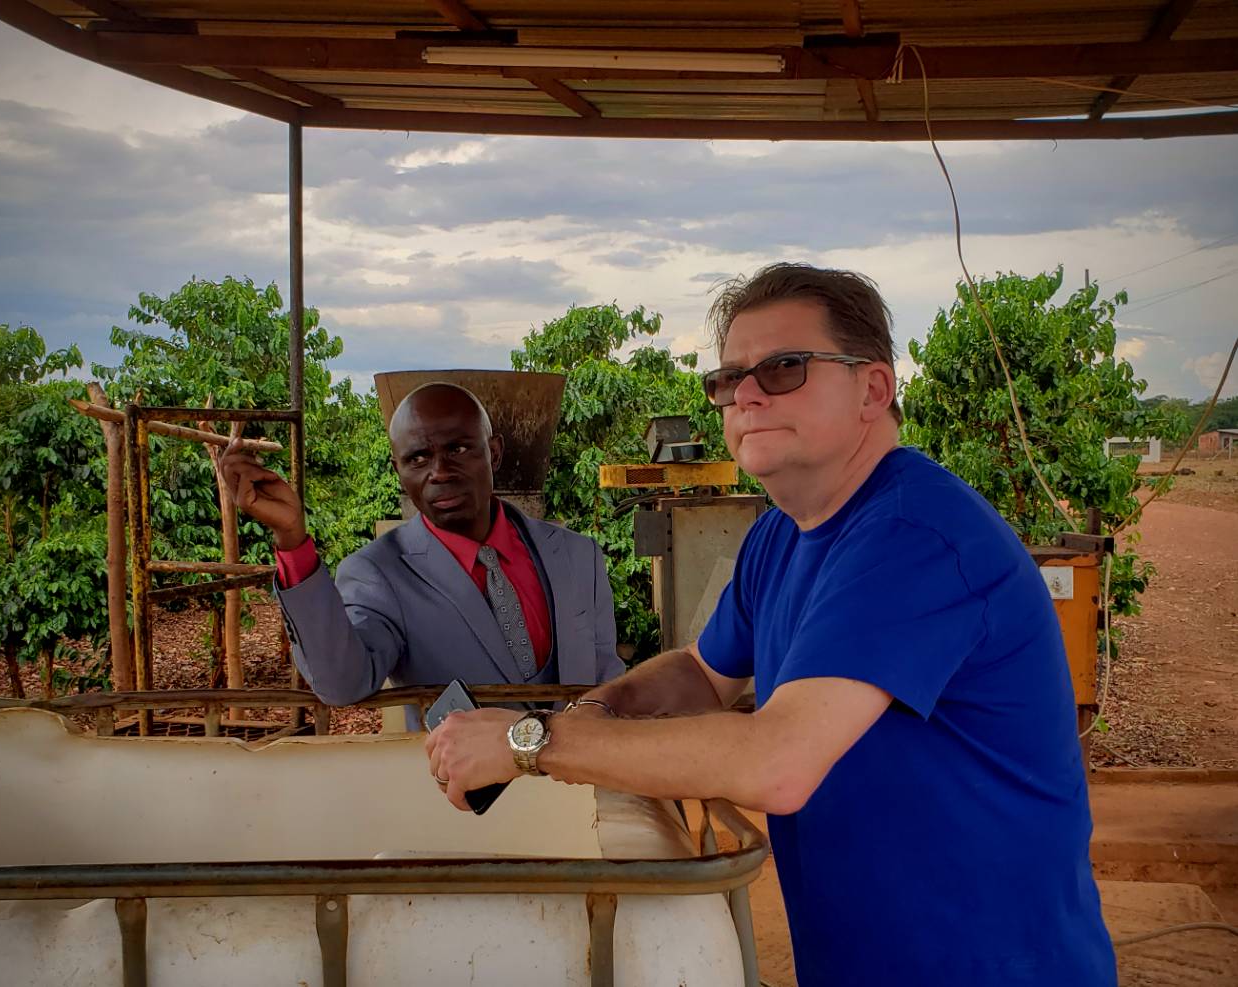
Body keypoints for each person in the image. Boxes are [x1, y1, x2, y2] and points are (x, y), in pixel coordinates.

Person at [426, 264, 1117, 984]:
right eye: (726, 380)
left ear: (872, 389)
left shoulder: (915, 535)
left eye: (783, 368)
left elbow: (775, 764)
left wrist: (529, 743)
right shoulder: (781, 534)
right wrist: (597, 711)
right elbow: (700, 669)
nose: (745, 394)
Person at [219, 382, 623, 728]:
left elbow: (607, 676)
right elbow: (343, 685)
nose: (440, 471)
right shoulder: (377, 573)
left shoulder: (575, 555)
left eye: (459, 449)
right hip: (464, 805)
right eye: (418, 458)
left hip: (580, 792)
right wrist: (292, 539)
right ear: (398, 470)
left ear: (494, 453)